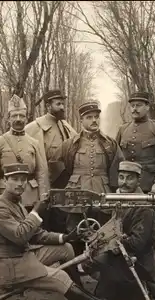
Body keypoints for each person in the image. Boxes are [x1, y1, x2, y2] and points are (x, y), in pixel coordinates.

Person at [0, 163, 135, 300]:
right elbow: (20, 236)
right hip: (8, 266)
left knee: (66, 248)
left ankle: (81, 299)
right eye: (15, 179)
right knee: (60, 277)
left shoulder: (15, 203)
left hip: (21, 256)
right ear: (4, 181)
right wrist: (36, 212)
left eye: (23, 179)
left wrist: (66, 237)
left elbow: (36, 234)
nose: (20, 184)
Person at [85, 161, 155, 300]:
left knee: (99, 262)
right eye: (121, 177)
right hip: (121, 255)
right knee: (88, 261)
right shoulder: (116, 199)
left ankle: (143, 288)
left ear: (139, 180)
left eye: (129, 178)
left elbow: (137, 244)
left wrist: (110, 243)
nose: (124, 183)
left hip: (138, 262)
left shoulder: (144, 208)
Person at [50, 100, 124, 260]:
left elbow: (118, 166)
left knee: (103, 230)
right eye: (89, 117)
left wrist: (115, 188)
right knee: (75, 229)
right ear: (81, 120)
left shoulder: (110, 144)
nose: (94, 120)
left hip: (102, 192)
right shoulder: (70, 144)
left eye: (96, 117)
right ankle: (76, 267)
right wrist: (67, 188)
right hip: (76, 192)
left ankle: (100, 267)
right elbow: (56, 168)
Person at [115, 91, 155, 258]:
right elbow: (116, 159)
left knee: (148, 231)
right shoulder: (123, 129)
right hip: (126, 190)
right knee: (124, 229)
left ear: (147, 107)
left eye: (139, 105)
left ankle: (149, 271)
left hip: (149, 188)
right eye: (132, 105)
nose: (135, 109)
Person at [0, 95, 49, 212]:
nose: (18, 119)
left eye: (22, 116)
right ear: (8, 119)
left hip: (30, 197)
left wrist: (43, 197)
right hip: (4, 196)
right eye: (14, 116)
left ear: (26, 119)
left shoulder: (35, 143)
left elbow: (41, 173)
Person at [25, 89, 77, 232]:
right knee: (46, 224)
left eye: (63, 104)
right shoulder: (34, 127)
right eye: (58, 104)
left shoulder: (65, 125)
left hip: (65, 185)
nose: (62, 107)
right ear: (48, 106)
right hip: (45, 185)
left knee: (63, 223)